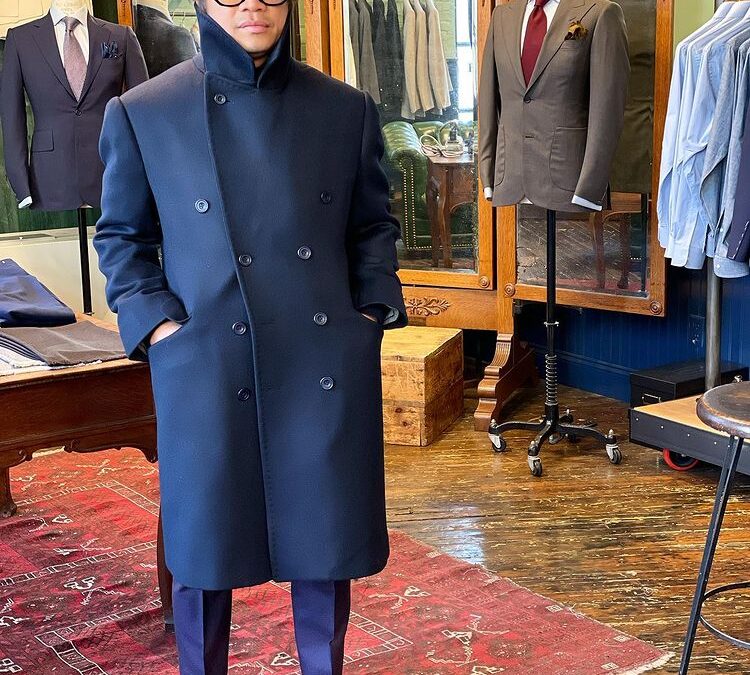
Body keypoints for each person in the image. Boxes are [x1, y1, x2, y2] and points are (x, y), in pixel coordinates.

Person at [92, 0, 408, 671]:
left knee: (324, 548)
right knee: (203, 552)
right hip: (205, 358)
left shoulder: (345, 109)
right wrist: (161, 328)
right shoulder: (144, 111)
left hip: (319, 358)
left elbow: (373, 227)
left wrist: (368, 316)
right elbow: (122, 236)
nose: (251, 5)